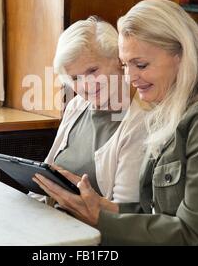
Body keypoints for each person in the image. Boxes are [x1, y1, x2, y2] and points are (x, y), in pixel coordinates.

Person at [33, 0, 198, 245]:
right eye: (126, 65)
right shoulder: (168, 111)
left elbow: (197, 234)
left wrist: (99, 219)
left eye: (141, 65)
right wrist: (99, 206)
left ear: (181, 55)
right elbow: (156, 215)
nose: (130, 77)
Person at [37, 16, 149, 203]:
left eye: (92, 70)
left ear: (118, 60)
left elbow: (125, 212)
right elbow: (46, 174)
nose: (86, 85)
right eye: (75, 78)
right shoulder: (76, 106)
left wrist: (79, 199)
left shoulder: (140, 121)